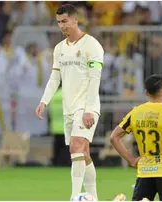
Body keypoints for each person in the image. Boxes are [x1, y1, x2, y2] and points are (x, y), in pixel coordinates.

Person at [35, 4, 104, 200]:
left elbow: (94, 79)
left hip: (86, 106)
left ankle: (74, 197)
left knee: (76, 147)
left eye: (65, 21)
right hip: (69, 107)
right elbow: (55, 78)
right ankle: (93, 197)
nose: (62, 26)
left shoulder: (92, 45)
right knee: (84, 153)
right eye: (58, 23)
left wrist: (89, 109)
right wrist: (44, 101)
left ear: (76, 20)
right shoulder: (59, 49)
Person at [110, 75, 162, 201]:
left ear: (146, 93)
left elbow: (114, 137)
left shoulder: (135, 112)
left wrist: (131, 160)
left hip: (145, 172)